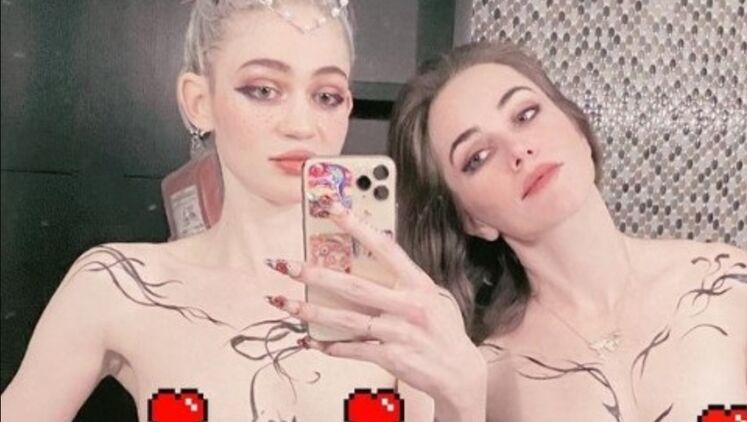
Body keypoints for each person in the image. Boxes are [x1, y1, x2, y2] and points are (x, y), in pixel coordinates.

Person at [1, 1, 480, 420]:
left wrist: (466, 403)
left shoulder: (409, 308)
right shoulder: (116, 285)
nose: (301, 125)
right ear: (199, 101)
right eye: (264, 89)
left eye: (326, 96)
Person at [382, 41, 747, 421]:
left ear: (576, 126)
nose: (518, 149)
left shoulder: (731, 285)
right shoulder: (481, 372)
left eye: (525, 115)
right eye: (478, 156)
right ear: (470, 218)